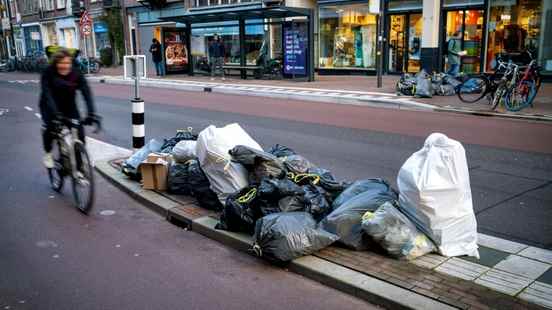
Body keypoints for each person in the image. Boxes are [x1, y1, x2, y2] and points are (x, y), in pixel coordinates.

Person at [39, 48, 100, 168]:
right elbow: (47, 94)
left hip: (69, 106)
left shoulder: (76, 74)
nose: (64, 66)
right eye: (61, 63)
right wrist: (55, 114)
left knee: (80, 133)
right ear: (55, 63)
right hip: (49, 105)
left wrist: (91, 113)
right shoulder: (48, 72)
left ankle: (79, 166)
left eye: (67, 63)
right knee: (50, 128)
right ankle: (48, 154)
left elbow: (86, 93)